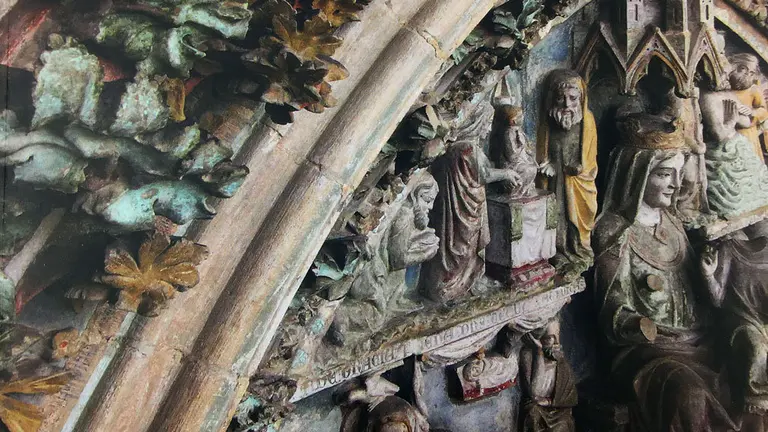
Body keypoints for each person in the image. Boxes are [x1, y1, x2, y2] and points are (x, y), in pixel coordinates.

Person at [593, 113, 736, 432]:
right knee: (690, 395)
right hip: (649, 353)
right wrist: (641, 325)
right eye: (664, 175)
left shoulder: (671, 222)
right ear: (638, 175)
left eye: (678, 173)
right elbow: (611, 312)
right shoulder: (615, 231)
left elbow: (690, 289)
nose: (676, 183)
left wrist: (708, 277)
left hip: (695, 339)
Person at [536, 69, 598, 275]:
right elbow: (542, 148)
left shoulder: (586, 121)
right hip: (555, 182)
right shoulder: (548, 121)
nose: (567, 105)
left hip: (577, 183)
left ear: (581, 99)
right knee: (556, 217)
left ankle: (578, 249)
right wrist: (546, 163)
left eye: (573, 98)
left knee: (578, 216)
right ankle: (558, 251)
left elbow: (589, 156)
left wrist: (580, 169)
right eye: (561, 98)